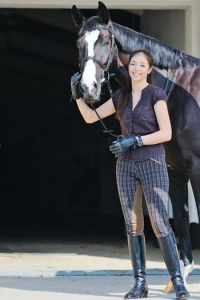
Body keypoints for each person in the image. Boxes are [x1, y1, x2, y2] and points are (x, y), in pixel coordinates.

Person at [70, 49, 189, 300]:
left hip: (153, 161)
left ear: (149, 69)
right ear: (128, 68)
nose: (136, 68)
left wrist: (134, 140)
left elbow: (166, 133)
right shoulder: (120, 96)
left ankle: (178, 282)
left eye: (141, 65)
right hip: (125, 165)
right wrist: (77, 96)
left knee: (158, 222)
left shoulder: (156, 95)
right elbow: (91, 118)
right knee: (133, 224)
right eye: (132, 64)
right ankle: (139, 284)